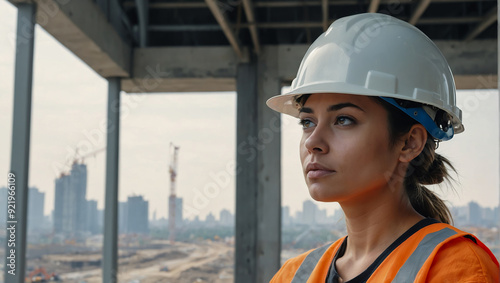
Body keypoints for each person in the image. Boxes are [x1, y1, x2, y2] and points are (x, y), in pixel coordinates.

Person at [266, 13, 499, 282]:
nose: (312, 142)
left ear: (410, 143)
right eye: (307, 122)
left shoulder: (455, 269)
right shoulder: (293, 275)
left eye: (344, 120)